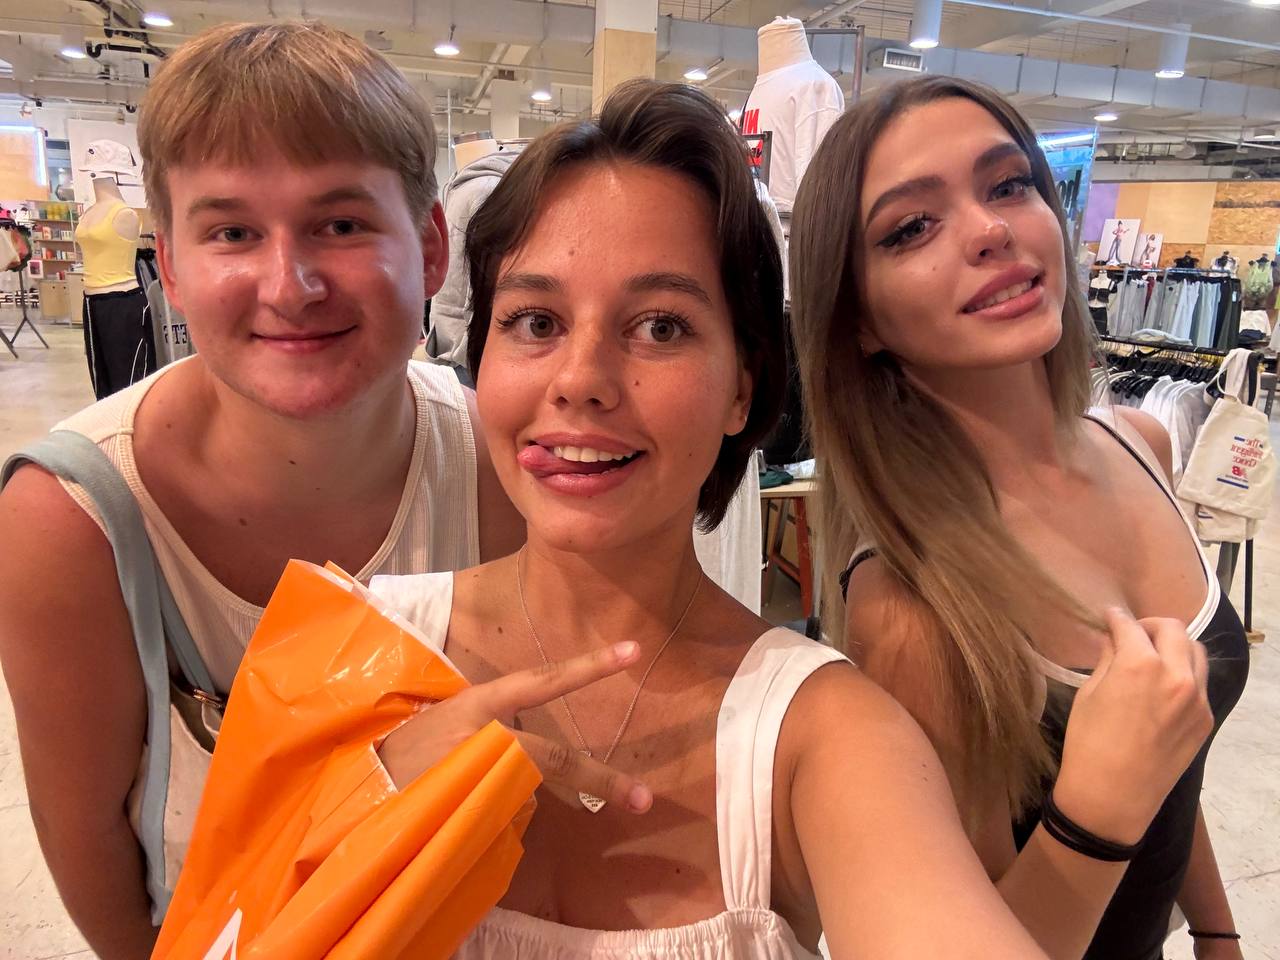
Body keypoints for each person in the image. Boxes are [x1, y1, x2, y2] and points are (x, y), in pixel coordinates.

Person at [368, 78, 1060, 959]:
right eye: (535, 321)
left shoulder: (827, 736)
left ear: (743, 385)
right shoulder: (362, 652)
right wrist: (354, 813)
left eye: (660, 327)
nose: (579, 380)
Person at [0, 21, 539, 959]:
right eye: (233, 232)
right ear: (171, 267)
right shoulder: (69, 522)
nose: (289, 286)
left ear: (431, 246)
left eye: (341, 224)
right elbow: (93, 854)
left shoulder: (501, 466)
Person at [789, 75, 1249, 960]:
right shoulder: (915, 608)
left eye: (1008, 184)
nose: (990, 230)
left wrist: (1218, 930)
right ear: (858, 320)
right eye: (911, 227)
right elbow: (974, 940)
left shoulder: (1141, 443)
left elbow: (1172, 750)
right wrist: (1100, 807)